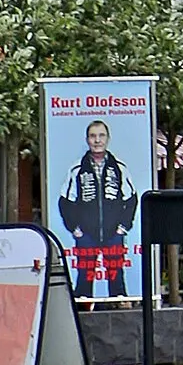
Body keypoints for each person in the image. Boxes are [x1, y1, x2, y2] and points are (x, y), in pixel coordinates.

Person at [59, 119, 138, 299]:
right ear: (87, 139)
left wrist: (123, 228)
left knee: (116, 278)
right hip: (86, 235)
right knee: (84, 280)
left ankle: (119, 314)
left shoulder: (119, 168)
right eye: (93, 136)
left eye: (101, 136)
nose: (97, 140)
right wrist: (75, 229)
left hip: (113, 235)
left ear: (108, 139)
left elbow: (131, 199)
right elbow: (65, 201)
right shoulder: (77, 169)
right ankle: (83, 318)